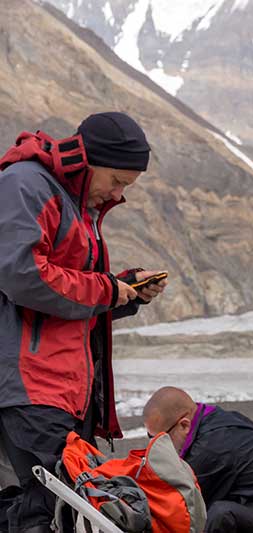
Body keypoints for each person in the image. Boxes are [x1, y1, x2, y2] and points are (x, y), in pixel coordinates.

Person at [0, 112, 168, 533]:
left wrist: (123, 293)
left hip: (59, 386)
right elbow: (22, 275)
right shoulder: (29, 184)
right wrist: (106, 290)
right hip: (30, 383)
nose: (119, 193)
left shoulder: (74, 203)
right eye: (116, 180)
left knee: (59, 508)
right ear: (89, 161)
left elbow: (67, 297)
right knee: (54, 508)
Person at [143, 387, 253, 533]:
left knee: (221, 514)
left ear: (184, 425)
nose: (156, 444)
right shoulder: (211, 421)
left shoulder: (212, 448)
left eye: (160, 437)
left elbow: (183, 504)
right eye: (151, 437)